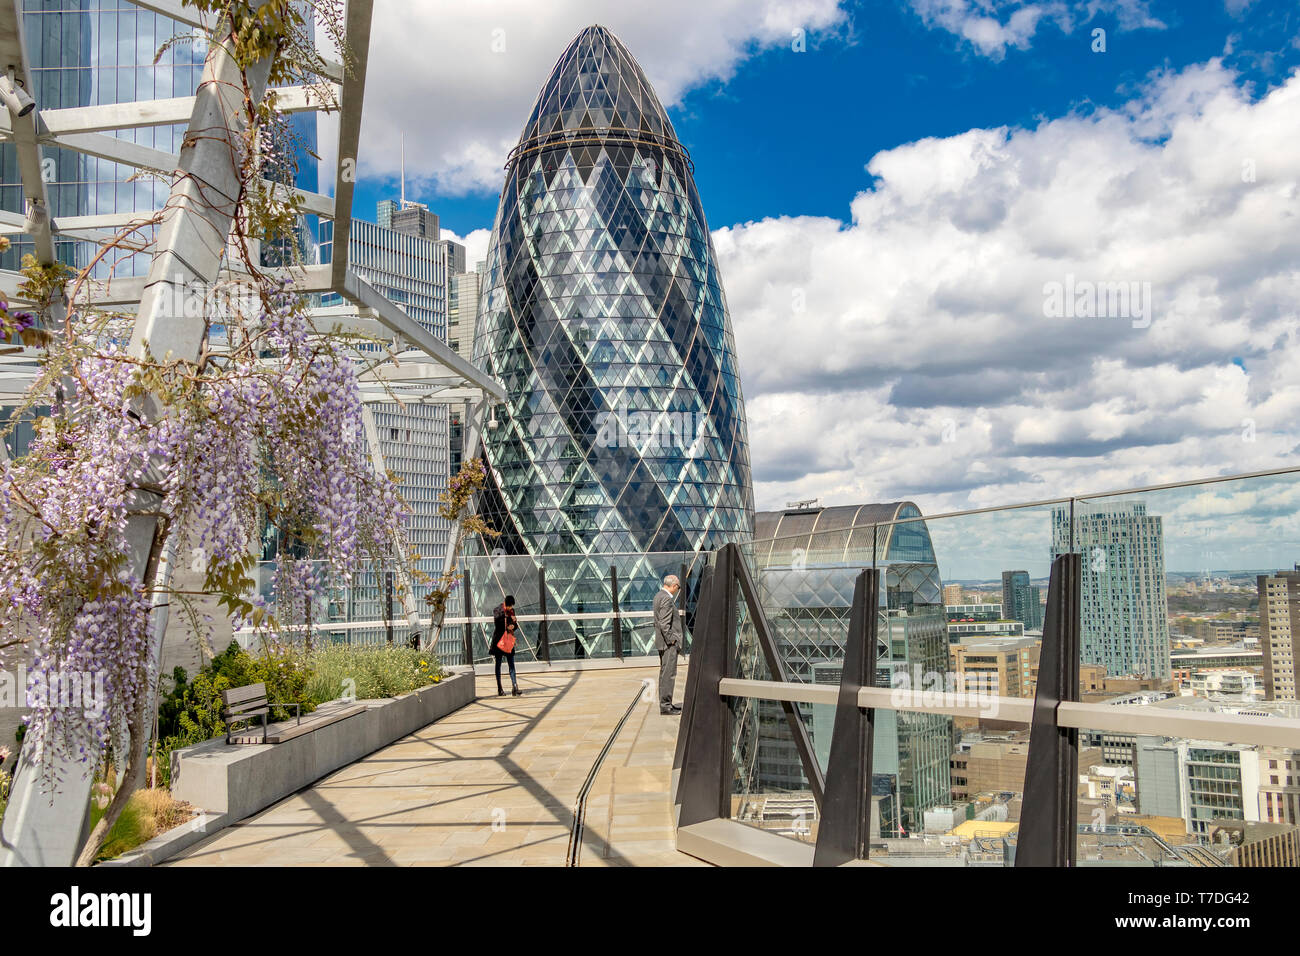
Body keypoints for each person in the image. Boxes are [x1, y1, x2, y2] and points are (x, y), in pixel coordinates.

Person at [653, 575, 683, 715]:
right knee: (668, 675)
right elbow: (664, 624)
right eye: (678, 587)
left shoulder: (658, 596)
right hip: (668, 645)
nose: (677, 590)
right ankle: (666, 706)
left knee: (664, 673)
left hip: (662, 643)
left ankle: (667, 703)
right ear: (674, 585)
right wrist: (672, 640)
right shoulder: (666, 599)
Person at [491, 594, 521, 697]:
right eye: (510, 606)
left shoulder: (512, 611)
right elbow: (498, 622)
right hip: (499, 641)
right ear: (506, 604)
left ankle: (515, 686)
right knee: (498, 664)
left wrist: (513, 626)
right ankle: (500, 688)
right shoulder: (497, 610)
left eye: (512, 606)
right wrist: (507, 618)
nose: (511, 608)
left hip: (508, 640)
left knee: (511, 664)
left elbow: (515, 624)